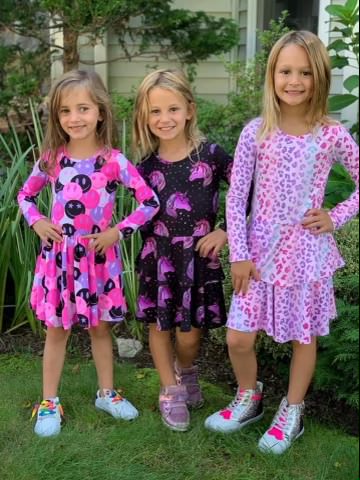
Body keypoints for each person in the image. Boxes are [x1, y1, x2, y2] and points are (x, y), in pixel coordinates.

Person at [205, 30, 359, 454]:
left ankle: (292, 410)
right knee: (238, 337)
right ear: (272, 75)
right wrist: (239, 254)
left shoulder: (330, 135)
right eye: (286, 70)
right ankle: (249, 396)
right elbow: (237, 197)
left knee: (302, 339)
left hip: (305, 257)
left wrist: (335, 216)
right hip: (255, 256)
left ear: (320, 77)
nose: (295, 80)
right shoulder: (256, 131)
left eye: (305, 72)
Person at [18, 70, 159, 437]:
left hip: (97, 261)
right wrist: (36, 222)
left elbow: (150, 201)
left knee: (100, 329)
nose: (74, 118)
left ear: (100, 111)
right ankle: (49, 400)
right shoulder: (52, 159)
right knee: (57, 331)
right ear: (57, 117)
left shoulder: (115, 161)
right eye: (65, 111)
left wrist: (117, 231)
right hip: (60, 260)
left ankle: (107, 393)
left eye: (83, 108)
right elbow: (25, 196)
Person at [132, 69, 233, 432]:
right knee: (161, 325)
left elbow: (248, 195)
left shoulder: (212, 155)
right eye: (155, 112)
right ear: (145, 116)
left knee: (190, 334)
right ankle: (170, 388)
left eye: (172, 109)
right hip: (158, 259)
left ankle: (185, 368)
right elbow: (134, 214)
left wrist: (225, 231)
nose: (164, 119)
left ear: (189, 109)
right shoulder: (143, 168)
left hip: (199, 258)